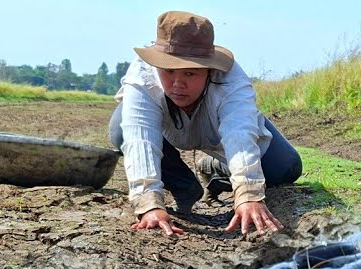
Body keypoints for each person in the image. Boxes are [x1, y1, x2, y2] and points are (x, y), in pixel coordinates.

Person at [109, 10, 302, 237]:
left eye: (190, 73)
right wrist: (148, 203)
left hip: (220, 136)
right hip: (166, 132)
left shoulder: (232, 81)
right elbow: (140, 137)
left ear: (209, 70)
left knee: (286, 168)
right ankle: (184, 187)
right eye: (169, 71)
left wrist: (247, 193)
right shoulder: (141, 75)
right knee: (120, 130)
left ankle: (216, 167)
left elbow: (240, 134)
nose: (177, 84)